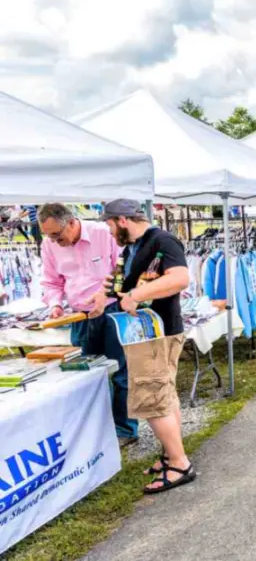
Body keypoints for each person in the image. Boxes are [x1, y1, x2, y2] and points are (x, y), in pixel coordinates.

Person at [98, 199, 193, 493]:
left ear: (122, 221)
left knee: (153, 400)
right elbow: (116, 279)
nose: (111, 233)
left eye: (110, 226)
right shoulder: (131, 248)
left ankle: (179, 464)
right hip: (147, 332)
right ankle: (170, 452)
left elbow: (180, 278)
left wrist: (137, 295)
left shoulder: (162, 241)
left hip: (156, 332)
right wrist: (101, 298)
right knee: (164, 394)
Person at [39, 203, 139, 447]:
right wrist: (55, 305)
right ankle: (95, 428)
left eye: (57, 235)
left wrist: (106, 298)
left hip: (113, 312)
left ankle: (125, 430)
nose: (54, 241)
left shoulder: (103, 234)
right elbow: (52, 281)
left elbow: (124, 271)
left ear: (72, 223)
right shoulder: (49, 245)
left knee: (120, 371)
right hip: (79, 317)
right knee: (84, 374)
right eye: (48, 236)